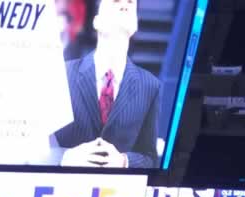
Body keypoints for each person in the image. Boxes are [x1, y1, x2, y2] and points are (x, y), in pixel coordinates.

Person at [49, 0, 161, 169]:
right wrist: (66, 157)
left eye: (131, 3)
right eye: (115, 1)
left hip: (117, 192)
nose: (125, 5)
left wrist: (124, 161)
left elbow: (150, 158)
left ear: (135, 24)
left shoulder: (150, 86)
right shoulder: (62, 74)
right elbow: (36, 145)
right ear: (96, 21)